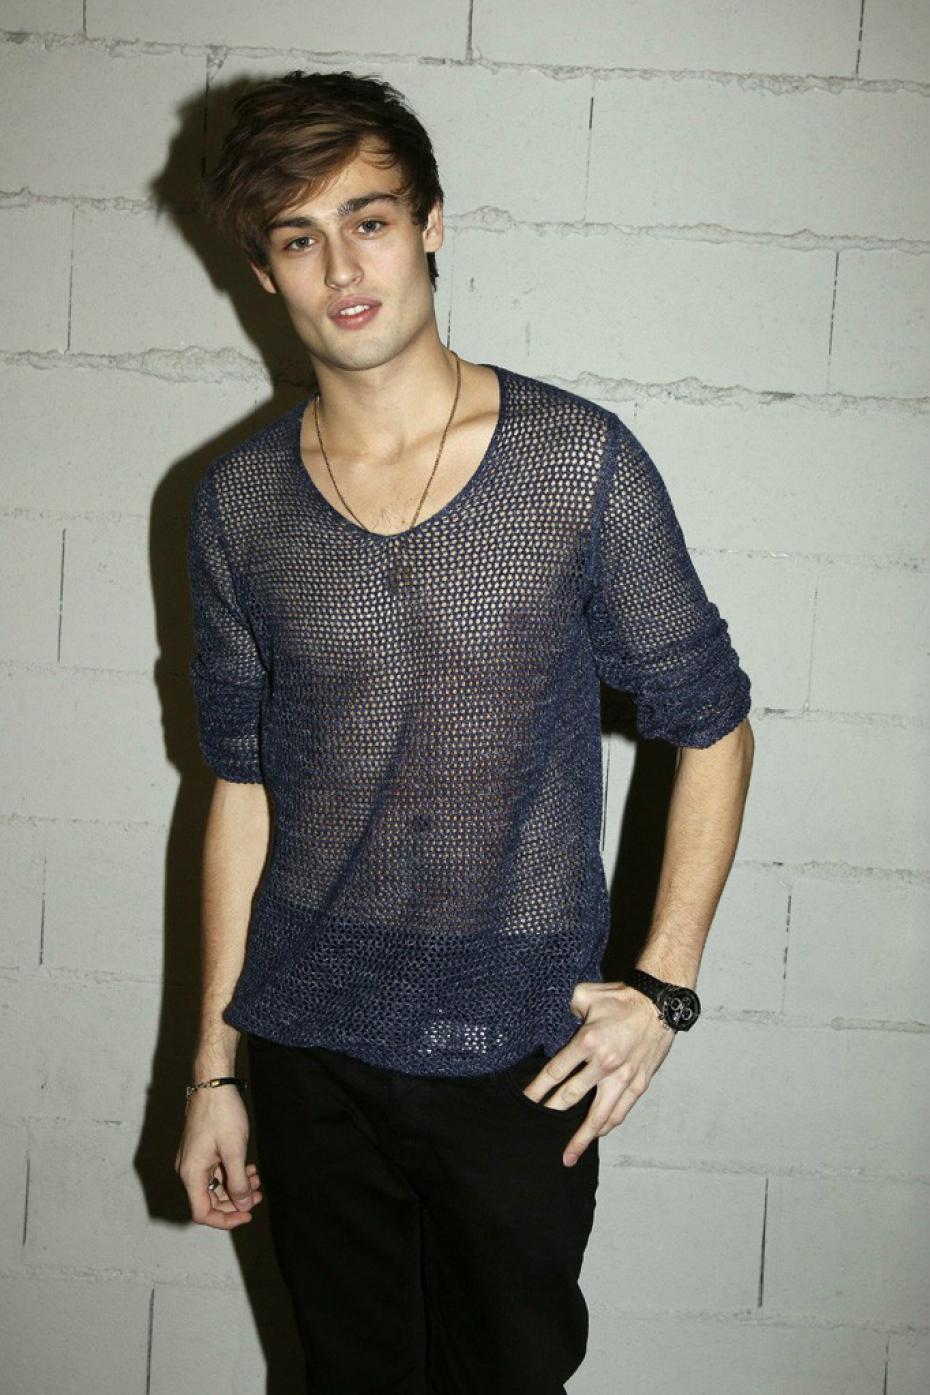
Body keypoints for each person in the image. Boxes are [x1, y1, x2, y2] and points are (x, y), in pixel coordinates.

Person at [174, 69, 754, 1395]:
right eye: (298, 238)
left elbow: (711, 725)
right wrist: (213, 1072)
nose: (342, 268)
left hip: (515, 1054)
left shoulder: (573, 462)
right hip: (305, 1050)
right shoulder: (237, 506)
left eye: (368, 221)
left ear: (430, 224)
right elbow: (240, 788)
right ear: (262, 272)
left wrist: (660, 990)